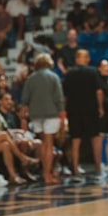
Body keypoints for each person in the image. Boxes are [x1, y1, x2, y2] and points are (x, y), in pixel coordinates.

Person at [21, 52, 64, 185]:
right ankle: (47, 174)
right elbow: (58, 98)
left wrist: (23, 117)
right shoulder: (53, 77)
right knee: (49, 145)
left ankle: (45, 171)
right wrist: (62, 114)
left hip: (35, 114)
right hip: (51, 113)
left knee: (42, 144)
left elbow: (24, 99)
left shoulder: (30, 78)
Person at [62, 48, 104, 182]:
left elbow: (65, 96)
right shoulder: (93, 72)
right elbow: (99, 92)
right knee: (95, 139)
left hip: (74, 111)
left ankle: (75, 169)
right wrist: (100, 107)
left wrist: (65, 110)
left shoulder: (69, 74)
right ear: (84, 59)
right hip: (90, 110)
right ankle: (98, 168)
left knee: (75, 140)